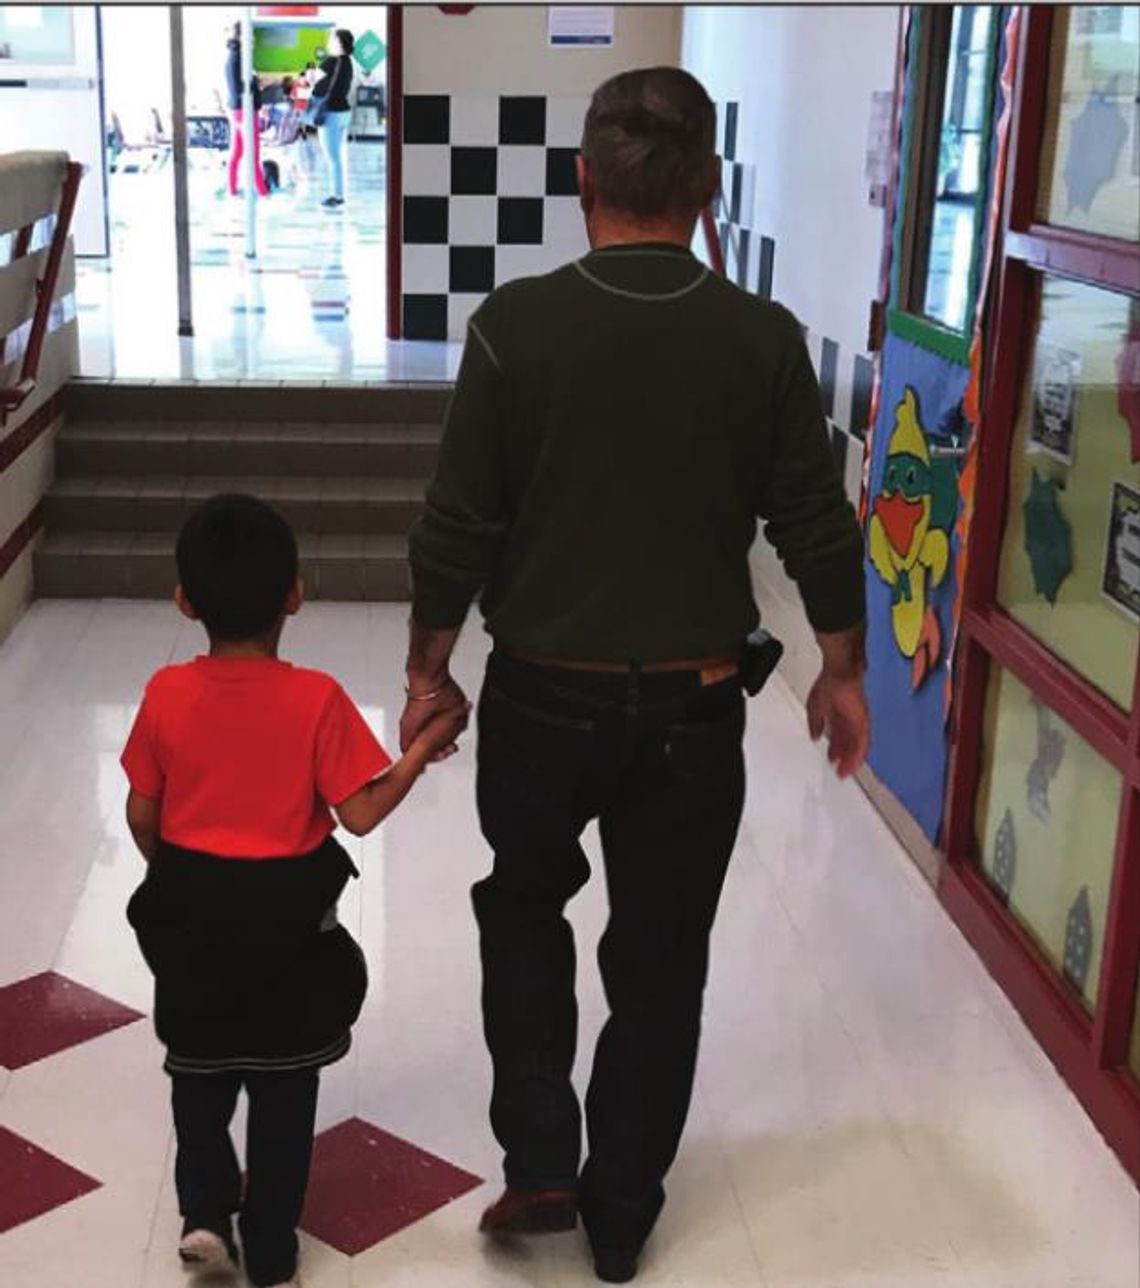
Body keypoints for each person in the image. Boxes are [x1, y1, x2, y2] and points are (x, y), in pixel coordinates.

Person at [401, 67, 869, 1284]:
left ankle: (542, 1162)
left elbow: (459, 525)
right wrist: (842, 667)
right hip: (693, 706)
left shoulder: (514, 328)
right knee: (663, 957)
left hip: (541, 694)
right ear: (708, 189)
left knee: (523, 907)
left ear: (582, 183)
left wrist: (427, 670)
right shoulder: (760, 340)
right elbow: (816, 521)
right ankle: (621, 1215)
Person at [121, 494, 466, 1288]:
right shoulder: (315, 699)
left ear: (183, 600)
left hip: (194, 937)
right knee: (285, 1093)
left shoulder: (166, 694)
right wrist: (420, 752)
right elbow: (361, 812)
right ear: (294, 594)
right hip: (290, 943)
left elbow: (144, 813)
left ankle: (206, 1214)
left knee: (199, 1080)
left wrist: (176, 868)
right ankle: (273, 1246)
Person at [224, 22, 269, 198]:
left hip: (242, 110)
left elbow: (241, 86)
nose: (254, 40)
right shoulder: (236, 58)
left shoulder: (237, 56)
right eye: (251, 36)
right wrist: (254, 87)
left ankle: (232, 190)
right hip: (244, 111)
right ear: (242, 37)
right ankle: (263, 193)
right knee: (252, 155)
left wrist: (256, 85)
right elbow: (238, 88)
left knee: (237, 154)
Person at [312, 29, 354, 207]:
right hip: (344, 112)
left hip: (331, 113)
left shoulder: (331, 61)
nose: (329, 42)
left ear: (339, 42)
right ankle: (338, 193)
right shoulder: (348, 62)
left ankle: (337, 195)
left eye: (331, 39)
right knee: (337, 155)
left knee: (333, 156)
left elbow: (314, 84)